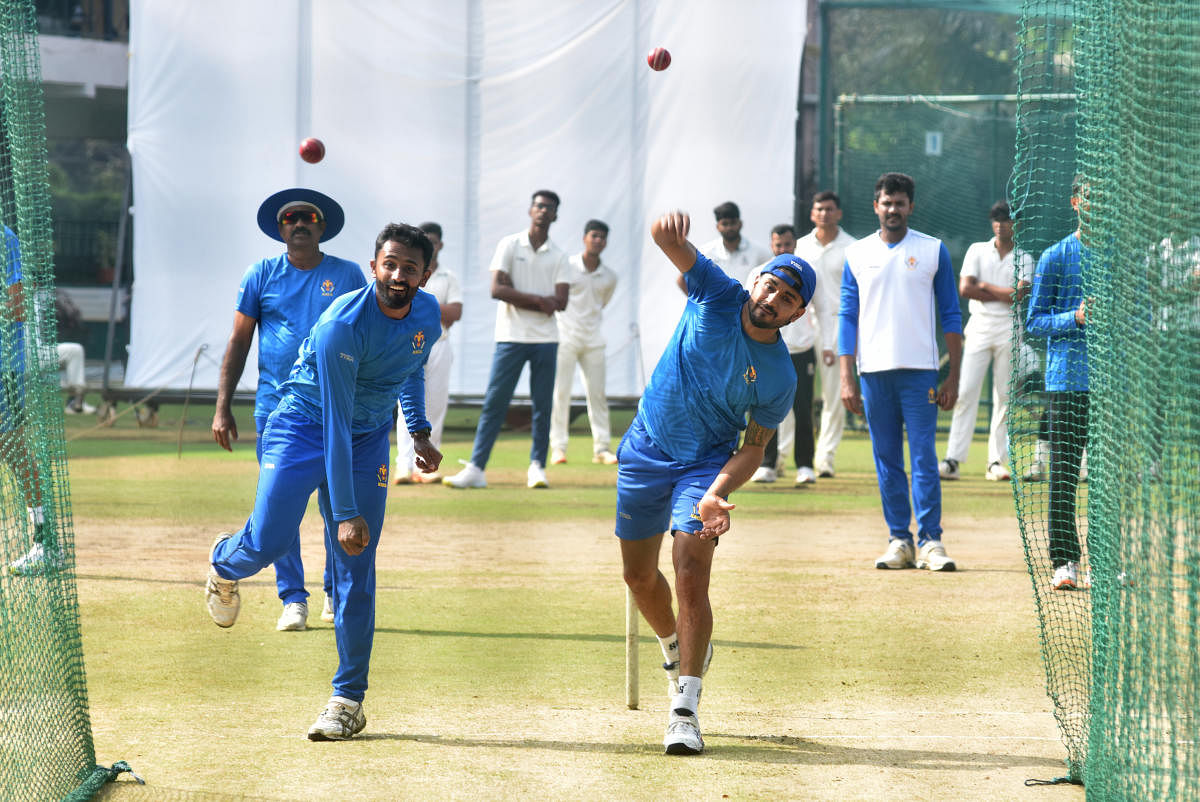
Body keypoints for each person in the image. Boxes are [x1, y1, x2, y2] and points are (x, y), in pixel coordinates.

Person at [205, 222, 441, 741]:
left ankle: (347, 698)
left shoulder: (428, 314)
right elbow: (335, 420)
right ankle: (224, 561)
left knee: (358, 560)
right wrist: (346, 512)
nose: (398, 275)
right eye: (390, 263)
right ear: (374, 264)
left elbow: (411, 367)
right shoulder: (343, 324)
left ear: (427, 274)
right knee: (266, 542)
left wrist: (418, 431)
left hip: (368, 435)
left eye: (410, 267)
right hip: (305, 424)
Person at [618, 210, 815, 756]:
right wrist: (665, 227)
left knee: (689, 570)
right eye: (770, 285)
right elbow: (663, 240)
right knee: (637, 577)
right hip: (644, 448)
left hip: (704, 467)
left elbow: (754, 448)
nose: (773, 298)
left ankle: (685, 709)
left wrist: (716, 492)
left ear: (797, 314)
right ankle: (677, 648)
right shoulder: (715, 290)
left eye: (787, 298)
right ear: (756, 281)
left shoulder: (779, 376)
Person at [211, 188, 366, 632]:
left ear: (322, 226)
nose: (299, 223)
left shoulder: (349, 274)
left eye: (308, 218)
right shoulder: (261, 274)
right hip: (277, 413)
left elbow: (366, 338)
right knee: (282, 510)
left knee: (339, 506)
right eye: (290, 218)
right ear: (280, 229)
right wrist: (223, 407)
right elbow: (239, 342)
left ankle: (335, 596)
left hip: (339, 412)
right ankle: (293, 599)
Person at [839, 172, 963, 572]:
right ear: (876, 206)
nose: (893, 209)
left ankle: (931, 541)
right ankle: (900, 540)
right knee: (886, 458)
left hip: (920, 373)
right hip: (873, 373)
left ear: (912, 206)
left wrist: (954, 375)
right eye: (886, 203)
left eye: (900, 203)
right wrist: (846, 377)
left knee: (924, 457)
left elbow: (950, 314)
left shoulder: (932, 251)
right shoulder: (856, 255)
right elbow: (847, 317)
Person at [443, 190, 569, 490]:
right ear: (530, 210)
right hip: (510, 337)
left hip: (546, 340)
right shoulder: (509, 245)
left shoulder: (560, 255)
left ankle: (537, 466)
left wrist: (519, 294)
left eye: (549, 208)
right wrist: (540, 301)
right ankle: (476, 468)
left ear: (555, 216)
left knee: (542, 405)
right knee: (495, 403)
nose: (542, 211)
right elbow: (497, 290)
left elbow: (561, 301)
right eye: (538, 206)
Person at [1025, 177, 1092, 591]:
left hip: (1111, 385)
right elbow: (1034, 321)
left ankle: (1106, 559)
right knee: (1064, 475)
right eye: (1090, 197)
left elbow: (1141, 317)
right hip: (1066, 381)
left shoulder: (1121, 257)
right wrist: (1075, 318)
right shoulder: (1056, 255)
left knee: (1107, 478)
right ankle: (1065, 562)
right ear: (1075, 203)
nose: (1097, 204)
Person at [939, 201, 1034, 482]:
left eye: (1006, 219)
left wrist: (985, 286)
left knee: (1004, 396)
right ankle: (953, 460)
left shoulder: (1025, 257)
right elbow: (965, 288)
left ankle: (995, 462)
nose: (1000, 223)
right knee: (966, 392)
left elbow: (1018, 296)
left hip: (1010, 329)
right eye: (996, 219)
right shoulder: (977, 250)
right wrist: (1000, 292)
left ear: (1016, 224)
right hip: (979, 328)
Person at [745, 223, 834, 485]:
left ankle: (805, 465)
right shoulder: (759, 273)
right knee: (761, 407)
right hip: (765, 352)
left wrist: (827, 346)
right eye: (778, 244)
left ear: (795, 244)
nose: (783, 248)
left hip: (800, 350)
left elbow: (824, 312)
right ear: (772, 245)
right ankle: (767, 464)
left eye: (787, 244)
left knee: (803, 408)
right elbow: (746, 307)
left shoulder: (809, 274)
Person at [5, 225, 58, 576]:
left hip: (3, 365)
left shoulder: (3, 239)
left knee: (13, 449)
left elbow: (18, 305)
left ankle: (46, 544)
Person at [394, 222, 462, 484]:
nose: (430, 246)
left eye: (434, 241)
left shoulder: (448, 276)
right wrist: (432, 307)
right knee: (406, 406)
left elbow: (455, 313)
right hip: (408, 344)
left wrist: (422, 305)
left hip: (439, 343)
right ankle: (403, 465)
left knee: (435, 405)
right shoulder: (407, 271)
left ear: (440, 245)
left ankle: (426, 466)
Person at [549, 219, 619, 466]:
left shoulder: (610, 277)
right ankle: (558, 448)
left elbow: (602, 303)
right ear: (584, 238)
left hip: (593, 339)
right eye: (594, 236)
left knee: (597, 394)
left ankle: (602, 448)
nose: (598, 240)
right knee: (561, 393)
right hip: (565, 337)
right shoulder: (567, 266)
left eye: (602, 237)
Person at [798, 191, 857, 478]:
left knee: (834, 395)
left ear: (839, 213)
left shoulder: (853, 248)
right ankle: (782, 456)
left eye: (830, 209)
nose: (824, 213)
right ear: (812, 213)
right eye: (819, 208)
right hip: (801, 327)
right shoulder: (800, 246)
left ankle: (825, 458)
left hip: (837, 326)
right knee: (793, 395)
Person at [675, 201, 771, 293]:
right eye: (725, 224)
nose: (729, 227)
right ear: (718, 226)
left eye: (733, 223)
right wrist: (702, 304)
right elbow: (682, 280)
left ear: (740, 224)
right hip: (717, 308)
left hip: (747, 308)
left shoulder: (759, 252)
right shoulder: (706, 252)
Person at [55, 290, 95, 415]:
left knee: (75, 351)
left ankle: (75, 401)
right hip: (17, 358)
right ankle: (74, 400)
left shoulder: (46, 297)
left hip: (37, 354)